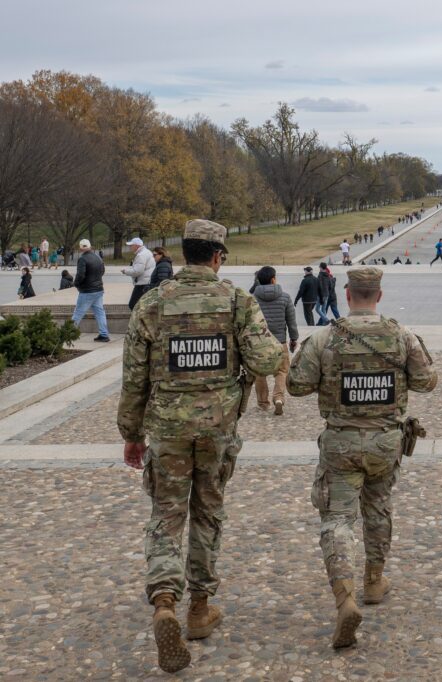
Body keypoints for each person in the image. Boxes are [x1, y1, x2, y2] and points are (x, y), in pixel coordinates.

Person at [117, 219, 281, 673]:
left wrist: (131, 435)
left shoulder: (152, 303)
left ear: (185, 252)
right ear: (217, 256)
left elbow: (133, 380)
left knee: (166, 515)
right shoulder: (235, 300)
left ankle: (165, 601)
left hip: (167, 429)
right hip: (217, 429)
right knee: (207, 512)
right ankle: (199, 607)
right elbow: (267, 359)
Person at [286, 266, 438, 649]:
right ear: (379, 295)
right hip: (385, 441)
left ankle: (345, 597)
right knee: (379, 508)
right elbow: (426, 382)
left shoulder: (325, 337)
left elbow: (297, 386)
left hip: (341, 442)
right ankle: (374, 579)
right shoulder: (401, 335)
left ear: (348, 295)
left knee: (338, 518)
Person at [251, 266, 299, 415]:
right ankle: (278, 398)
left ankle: (263, 403)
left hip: (259, 343)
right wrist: (293, 339)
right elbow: (291, 322)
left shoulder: (251, 299)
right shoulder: (285, 297)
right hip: (280, 342)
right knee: (282, 371)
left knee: (259, 373)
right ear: (273, 279)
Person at [71, 239, 110, 342]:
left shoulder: (82, 259)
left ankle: (69, 333)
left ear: (80, 248)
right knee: (100, 312)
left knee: (78, 313)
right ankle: (104, 334)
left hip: (87, 290)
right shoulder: (98, 257)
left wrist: (76, 283)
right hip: (98, 289)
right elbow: (102, 271)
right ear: (90, 246)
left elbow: (81, 275)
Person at [123, 237, 156, 310]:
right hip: (147, 282)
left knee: (133, 304)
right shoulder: (147, 252)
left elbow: (137, 271)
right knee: (143, 305)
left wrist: (125, 271)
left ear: (137, 246)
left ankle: (139, 320)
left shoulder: (141, 255)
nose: (130, 247)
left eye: (131, 245)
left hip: (142, 284)